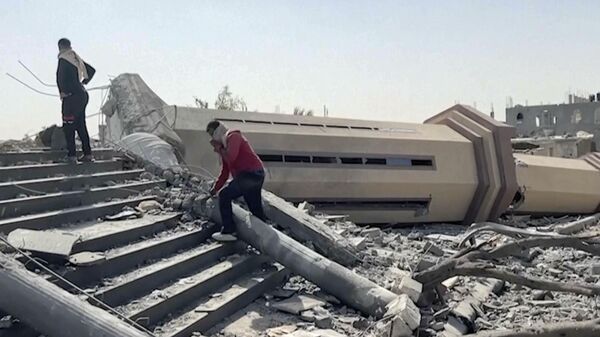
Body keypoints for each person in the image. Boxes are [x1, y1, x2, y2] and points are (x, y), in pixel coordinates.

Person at [206, 120, 267, 242]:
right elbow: (225, 171)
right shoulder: (225, 146)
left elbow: (231, 157)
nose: (212, 138)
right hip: (253, 175)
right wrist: (215, 188)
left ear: (218, 131)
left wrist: (219, 149)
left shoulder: (233, 136)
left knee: (225, 195)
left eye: (212, 133)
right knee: (255, 208)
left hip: (250, 175)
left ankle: (229, 230)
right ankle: (264, 236)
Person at [56, 38, 96, 163]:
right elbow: (91, 70)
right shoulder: (75, 58)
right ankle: (87, 154)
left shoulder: (63, 59)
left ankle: (71, 155)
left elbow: (60, 77)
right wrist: (83, 82)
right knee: (80, 125)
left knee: (68, 126)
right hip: (82, 94)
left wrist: (62, 91)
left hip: (71, 97)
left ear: (60, 47)